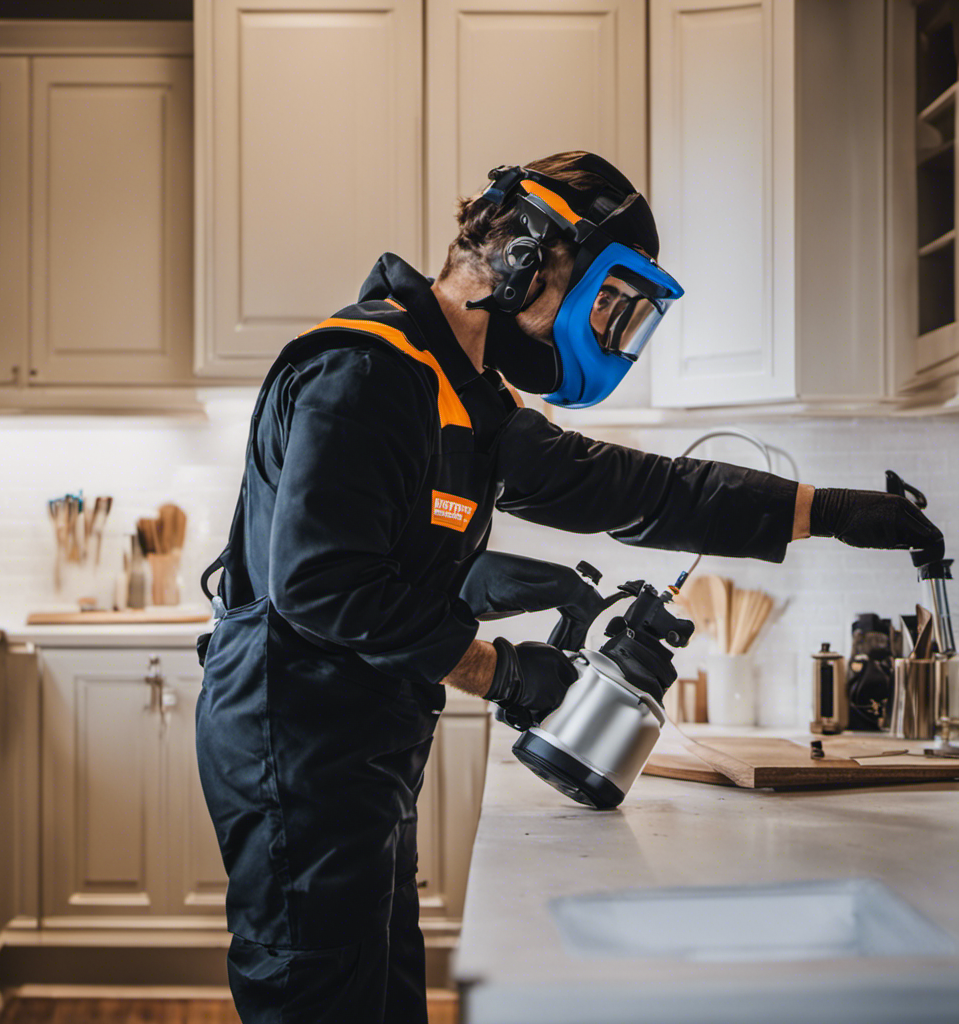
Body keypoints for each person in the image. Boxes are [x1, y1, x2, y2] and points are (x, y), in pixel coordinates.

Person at [194, 151, 941, 1024]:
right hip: (295, 737)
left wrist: (830, 511)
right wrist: (499, 674)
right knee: (318, 995)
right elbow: (322, 588)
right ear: (526, 256)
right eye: (610, 305)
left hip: (360, 739)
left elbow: (630, 491)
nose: (609, 334)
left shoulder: (465, 393)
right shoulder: (366, 372)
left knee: (381, 989)